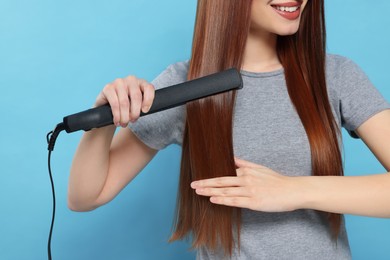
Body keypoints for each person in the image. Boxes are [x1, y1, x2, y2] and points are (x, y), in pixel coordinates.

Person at [69, 0, 390, 259]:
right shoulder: (184, 86)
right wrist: (105, 118)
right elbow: (86, 196)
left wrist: (293, 190)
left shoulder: (334, 75)